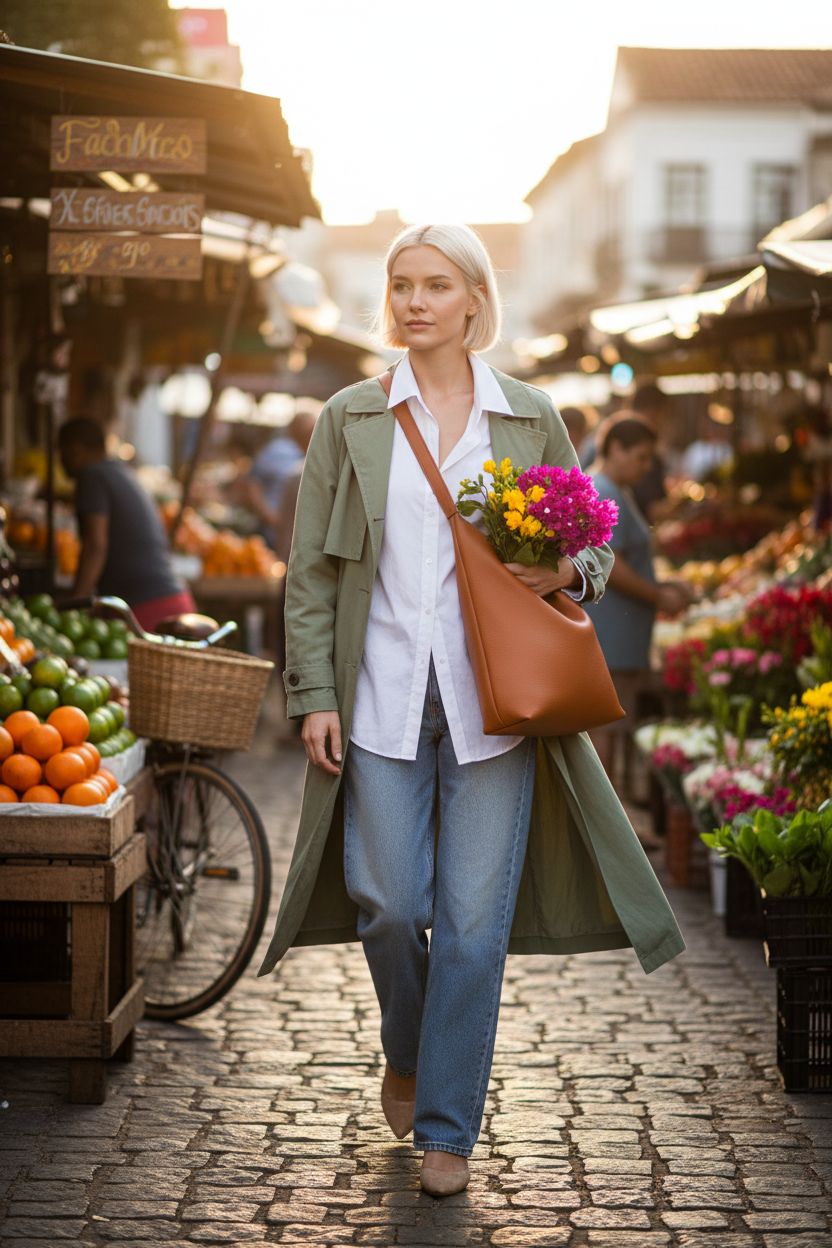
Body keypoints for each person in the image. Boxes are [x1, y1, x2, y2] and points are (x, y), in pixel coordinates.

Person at [257, 224, 685, 1197]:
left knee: (470, 926)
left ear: (473, 302)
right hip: (380, 703)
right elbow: (312, 575)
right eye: (401, 285)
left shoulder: (528, 416)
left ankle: (447, 1127)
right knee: (387, 903)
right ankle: (406, 1051)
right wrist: (312, 693)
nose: (414, 302)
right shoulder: (351, 419)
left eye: (435, 285)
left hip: (497, 705)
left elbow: (596, 541)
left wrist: (565, 566)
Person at [588, 415, 690, 776]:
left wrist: (665, 587)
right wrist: (658, 595)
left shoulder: (617, 490)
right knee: (603, 733)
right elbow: (608, 565)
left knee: (611, 731)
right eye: (641, 457)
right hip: (610, 636)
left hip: (620, 639)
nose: (646, 467)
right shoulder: (604, 490)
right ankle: (599, 826)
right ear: (615, 448)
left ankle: (607, 822)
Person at [58, 417, 195, 630]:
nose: (60, 461)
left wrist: (76, 603)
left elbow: (96, 545)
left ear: (76, 449)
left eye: (61, 452)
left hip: (145, 610)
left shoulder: (93, 476)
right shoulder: (121, 472)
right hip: (172, 601)